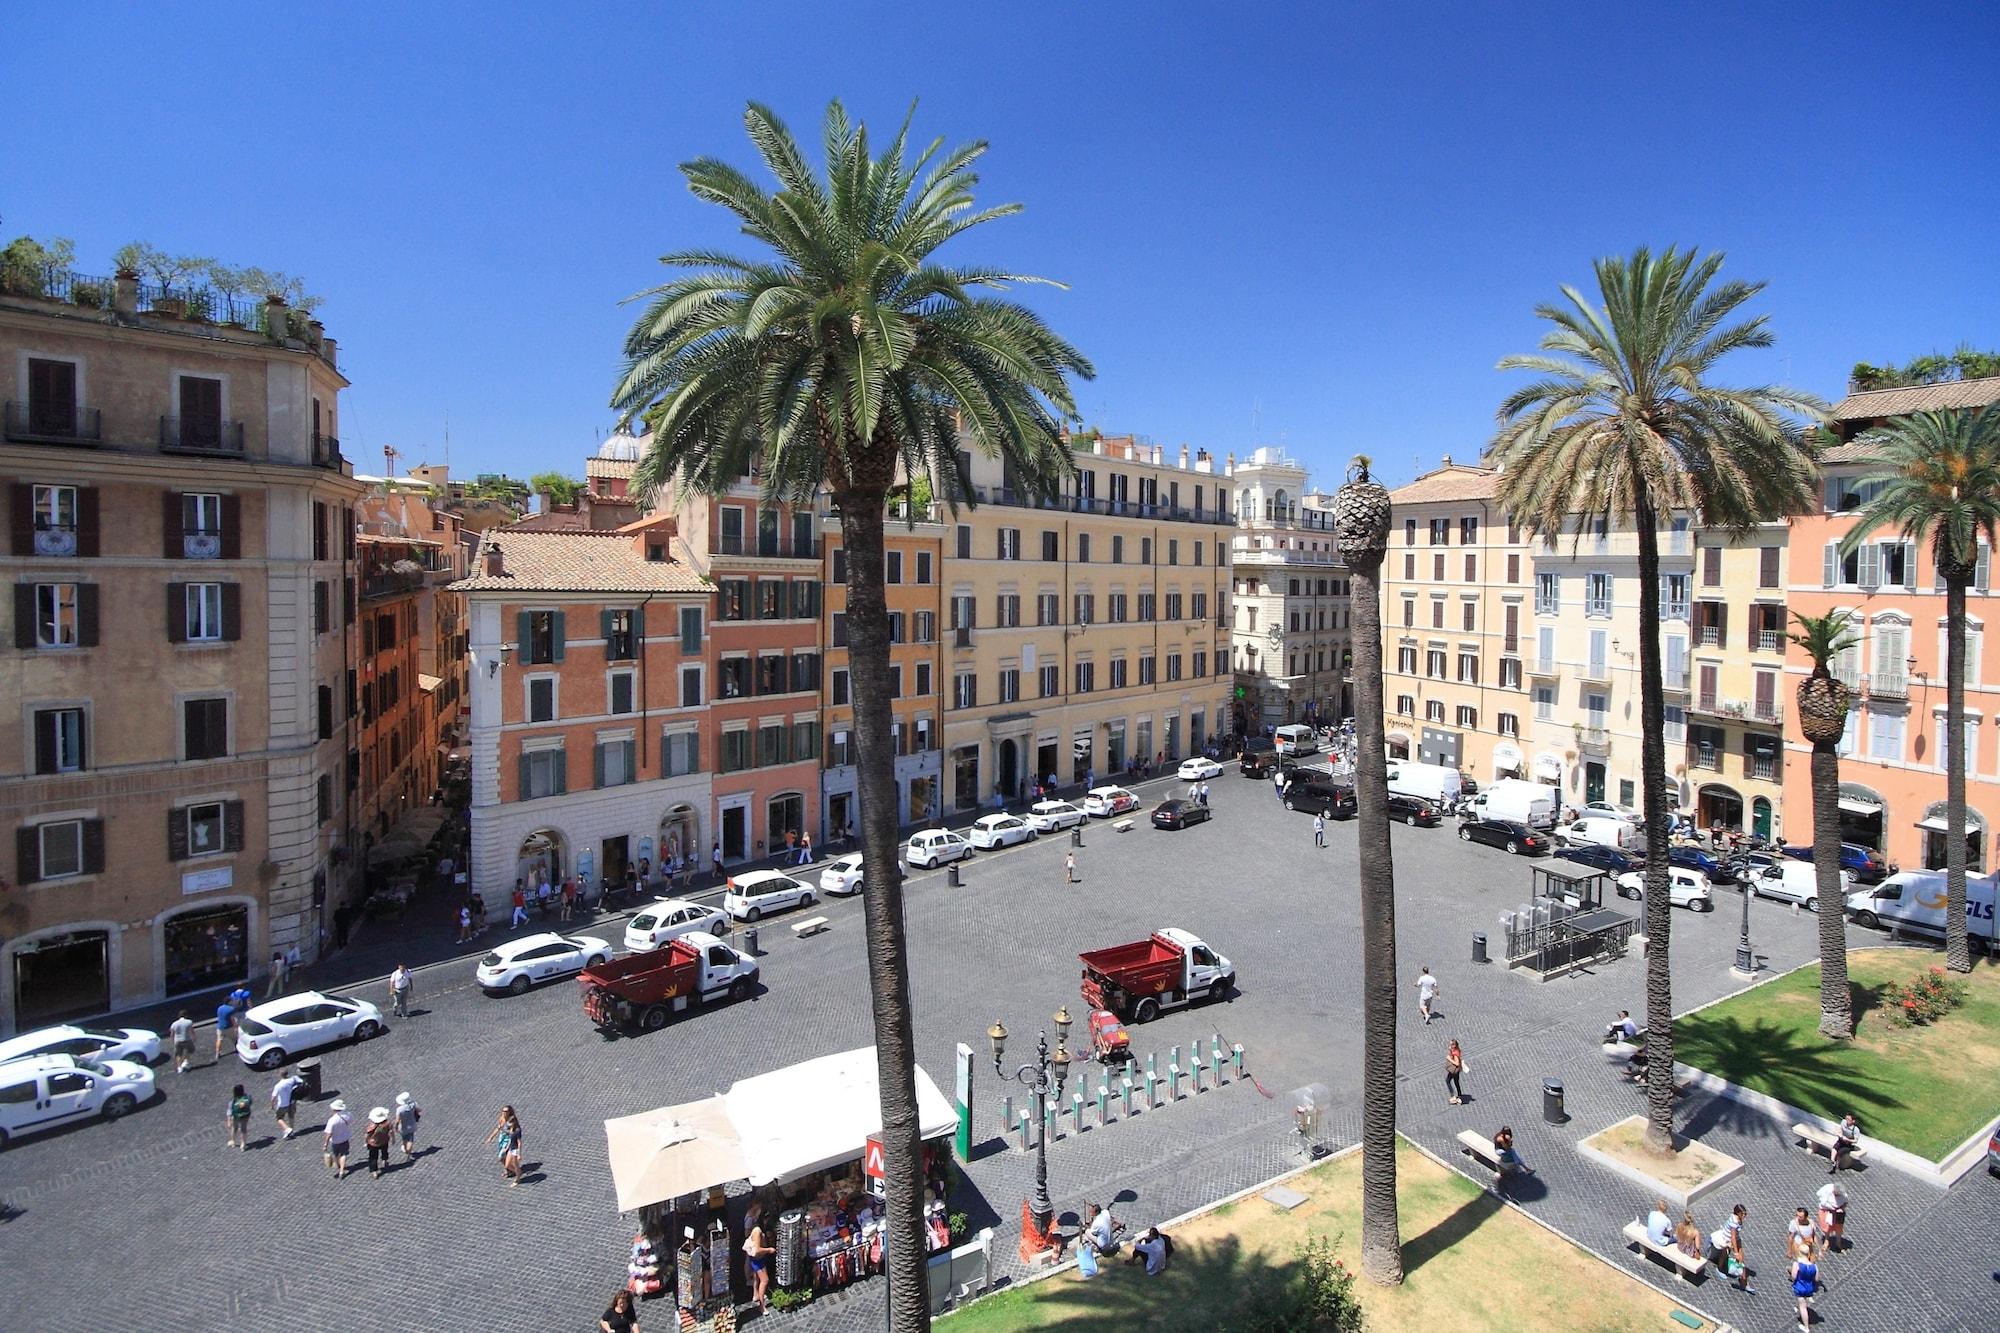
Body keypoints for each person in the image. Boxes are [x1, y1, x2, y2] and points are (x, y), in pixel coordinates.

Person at [1710, 1203, 1751, 1292]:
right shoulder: (1734, 1222)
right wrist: (1735, 1252)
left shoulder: (1738, 1219)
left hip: (1735, 1238)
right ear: (1738, 1213)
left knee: (1742, 1260)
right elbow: (1732, 1237)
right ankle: (1720, 1269)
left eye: (1745, 1214)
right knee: (1725, 1255)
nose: (1744, 1215)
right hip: (1727, 1239)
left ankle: (1743, 1282)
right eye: (1743, 1214)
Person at [743, 1203, 774, 1311]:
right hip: (758, 1259)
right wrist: (769, 1250)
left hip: (758, 1259)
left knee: (757, 1277)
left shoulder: (757, 1228)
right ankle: (762, 1306)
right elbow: (757, 1250)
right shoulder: (757, 1231)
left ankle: (756, 1295)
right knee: (765, 1280)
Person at [485, 1106, 523, 1186]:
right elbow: (498, 1128)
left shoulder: (512, 1121)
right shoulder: (501, 1119)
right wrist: (491, 1137)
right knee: (503, 1157)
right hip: (502, 1139)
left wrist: (509, 1146)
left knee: (501, 1156)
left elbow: (514, 1136)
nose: (504, 1112)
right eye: (503, 1111)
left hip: (508, 1140)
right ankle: (509, 1170)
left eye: (506, 1111)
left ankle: (515, 1172)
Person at [1789, 1234, 1820, 1329]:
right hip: (1809, 1287)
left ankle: (1806, 1327)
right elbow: (1816, 1279)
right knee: (1803, 1301)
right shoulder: (1814, 1266)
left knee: (1803, 1307)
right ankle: (1797, 1307)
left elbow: (1793, 1276)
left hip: (1800, 1287)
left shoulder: (1797, 1264)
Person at [323, 1099, 354, 1179]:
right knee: (344, 1154)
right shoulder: (348, 1115)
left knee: (336, 1154)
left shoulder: (332, 1120)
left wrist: (325, 1144)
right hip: (345, 1138)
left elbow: (329, 1133)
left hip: (335, 1141)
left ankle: (339, 1166)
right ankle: (342, 1170)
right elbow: (351, 1122)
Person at [1816, 1179, 1847, 1253]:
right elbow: (1822, 1200)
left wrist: (1841, 1208)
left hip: (1838, 1213)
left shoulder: (1844, 1195)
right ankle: (1826, 1241)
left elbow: (1845, 1203)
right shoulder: (1827, 1189)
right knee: (1827, 1227)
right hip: (1826, 1211)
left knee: (1839, 1227)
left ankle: (1838, 1243)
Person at [270, 1069, 303, 1139]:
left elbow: (273, 1097)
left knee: (279, 1118)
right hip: (292, 1102)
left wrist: (272, 1105)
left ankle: (287, 1129)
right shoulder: (293, 1079)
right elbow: (302, 1082)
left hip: (282, 1104)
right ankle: (291, 1131)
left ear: (280, 1075)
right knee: (291, 1116)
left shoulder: (278, 1085)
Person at [363, 1107, 394, 1178]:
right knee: (384, 1151)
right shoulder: (387, 1123)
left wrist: (365, 1142)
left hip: (373, 1143)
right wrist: (393, 1139)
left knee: (373, 1157)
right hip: (384, 1140)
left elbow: (367, 1135)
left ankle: (374, 1171)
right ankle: (384, 1160)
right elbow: (391, 1131)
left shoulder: (372, 1126)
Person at [394, 1091, 422, 1160]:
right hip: (412, 1124)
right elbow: (419, 1110)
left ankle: (406, 1149)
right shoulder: (414, 1104)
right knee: (410, 1139)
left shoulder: (399, 1109)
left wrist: (396, 1127)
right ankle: (409, 1151)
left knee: (404, 1138)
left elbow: (397, 1120)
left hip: (403, 1126)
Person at [227, 1083, 253, 1150]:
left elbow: (229, 1111)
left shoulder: (233, 1101)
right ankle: (243, 1144)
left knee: (234, 1127)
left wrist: (229, 1120)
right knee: (243, 1129)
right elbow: (250, 1102)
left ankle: (233, 1141)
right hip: (246, 1115)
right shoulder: (247, 1097)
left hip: (236, 1116)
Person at [1445, 1039, 1467, 1105]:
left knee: (1447, 1081)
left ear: (1454, 1045)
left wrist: (1449, 1058)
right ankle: (1459, 1095)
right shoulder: (1457, 1050)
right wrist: (1450, 1050)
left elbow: (1457, 1063)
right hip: (1457, 1070)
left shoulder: (1455, 1053)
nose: (1450, 1046)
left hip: (1454, 1070)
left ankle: (1453, 1096)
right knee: (1456, 1082)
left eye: (1451, 1044)